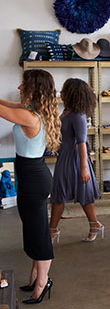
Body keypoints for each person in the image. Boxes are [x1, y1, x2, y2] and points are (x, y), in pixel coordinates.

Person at [0, 69, 61, 304]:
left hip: (34, 180)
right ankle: (36, 277)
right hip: (31, 176)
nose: (19, 88)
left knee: (38, 234)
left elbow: (6, 111)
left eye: (23, 84)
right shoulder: (34, 112)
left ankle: (42, 283)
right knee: (35, 230)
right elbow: (9, 104)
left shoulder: (31, 117)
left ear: (34, 88)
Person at [50, 78, 103, 242]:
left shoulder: (78, 115)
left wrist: (84, 168)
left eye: (64, 89)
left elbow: (82, 143)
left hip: (75, 159)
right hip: (65, 157)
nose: (61, 92)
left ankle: (52, 230)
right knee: (62, 193)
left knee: (79, 193)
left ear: (72, 93)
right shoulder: (67, 111)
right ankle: (93, 224)